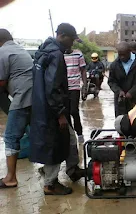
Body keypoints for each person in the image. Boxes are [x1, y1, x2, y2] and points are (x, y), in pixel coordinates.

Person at [30, 23, 85, 195]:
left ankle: (72, 169)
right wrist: (60, 113)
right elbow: (53, 87)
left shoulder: (42, 52)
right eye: (71, 40)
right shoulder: (55, 55)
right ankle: (50, 184)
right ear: (62, 35)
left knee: (69, 138)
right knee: (54, 144)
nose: (72, 44)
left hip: (42, 105)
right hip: (52, 109)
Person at [0, 29, 33, 189]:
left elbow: (0, 82)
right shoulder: (19, 49)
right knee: (35, 132)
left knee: (11, 137)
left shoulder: (3, 52)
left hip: (22, 99)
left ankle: (10, 178)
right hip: (34, 98)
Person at [108, 41, 136, 117]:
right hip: (121, 102)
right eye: (120, 55)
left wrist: (132, 92)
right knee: (121, 124)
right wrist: (119, 91)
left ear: (130, 51)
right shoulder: (114, 65)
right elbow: (111, 81)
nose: (122, 57)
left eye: (124, 55)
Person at [64, 48, 87, 144]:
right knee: (66, 113)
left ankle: (80, 133)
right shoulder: (59, 54)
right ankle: (70, 135)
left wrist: (85, 85)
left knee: (74, 111)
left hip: (75, 87)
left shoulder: (78, 54)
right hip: (63, 88)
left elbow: (83, 70)